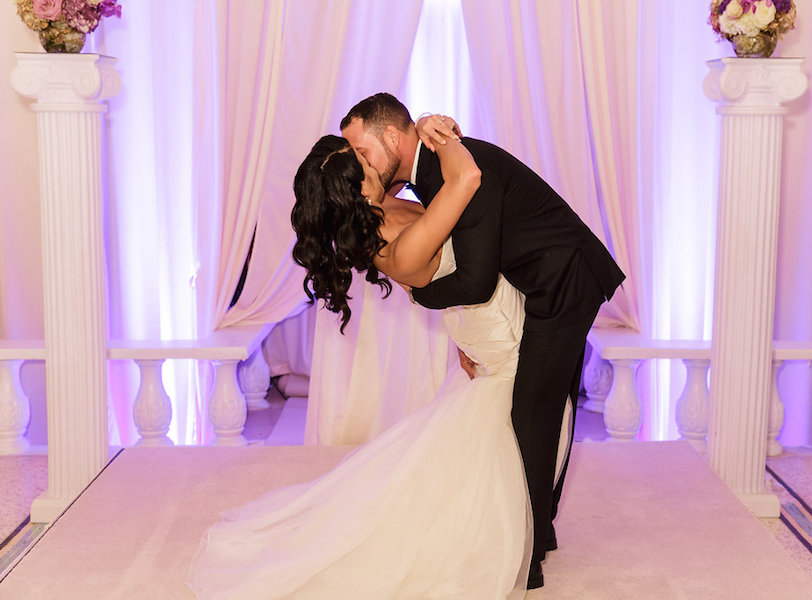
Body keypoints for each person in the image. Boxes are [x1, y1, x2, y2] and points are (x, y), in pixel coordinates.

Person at [188, 124, 534, 599]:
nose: (373, 159)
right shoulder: (395, 248)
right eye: (364, 161)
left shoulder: (387, 204)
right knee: (501, 441)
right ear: (356, 189)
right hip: (499, 333)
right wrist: (438, 128)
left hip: (487, 323)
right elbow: (464, 182)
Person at [341, 93, 626, 589]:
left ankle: (529, 554)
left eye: (363, 152)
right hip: (543, 281)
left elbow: (473, 282)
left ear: (391, 136)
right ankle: (542, 529)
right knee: (546, 405)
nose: (362, 164)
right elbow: (476, 255)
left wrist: (420, 295)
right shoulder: (434, 169)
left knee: (531, 413)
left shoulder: (448, 169)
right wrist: (462, 331)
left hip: (564, 279)